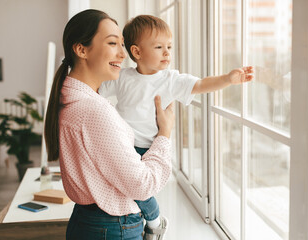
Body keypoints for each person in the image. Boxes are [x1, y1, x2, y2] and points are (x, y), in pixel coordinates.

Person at [99, 14, 254, 240]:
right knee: (126, 191)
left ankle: (154, 221)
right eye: (159, 47)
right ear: (137, 52)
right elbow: (96, 92)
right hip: (123, 147)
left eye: (169, 47)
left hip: (151, 150)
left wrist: (228, 79)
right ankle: (150, 221)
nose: (167, 53)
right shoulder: (122, 77)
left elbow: (201, 84)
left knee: (137, 190)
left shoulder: (170, 80)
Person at [44, 10, 175, 240]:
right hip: (112, 227)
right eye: (113, 43)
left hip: (88, 222)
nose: (123, 54)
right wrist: (164, 133)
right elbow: (143, 185)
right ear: (81, 49)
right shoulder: (93, 111)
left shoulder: (70, 98)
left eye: (122, 44)